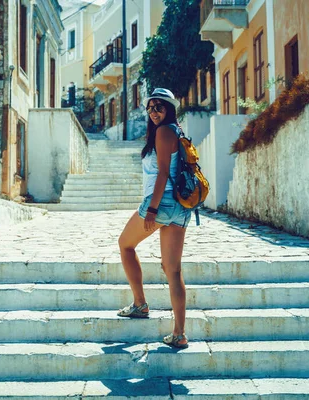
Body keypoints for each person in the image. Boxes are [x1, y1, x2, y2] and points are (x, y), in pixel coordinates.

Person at [117, 88, 192, 349]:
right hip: (181, 207)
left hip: (161, 202)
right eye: (150, 108)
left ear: (169, 108)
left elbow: (162, 174)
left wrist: (152, 210)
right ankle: (179, 333)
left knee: (125, 245)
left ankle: (140, 304)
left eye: (159, 107)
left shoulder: (163, 131)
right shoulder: (178, 131)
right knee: (173, 270)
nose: (154, 112)